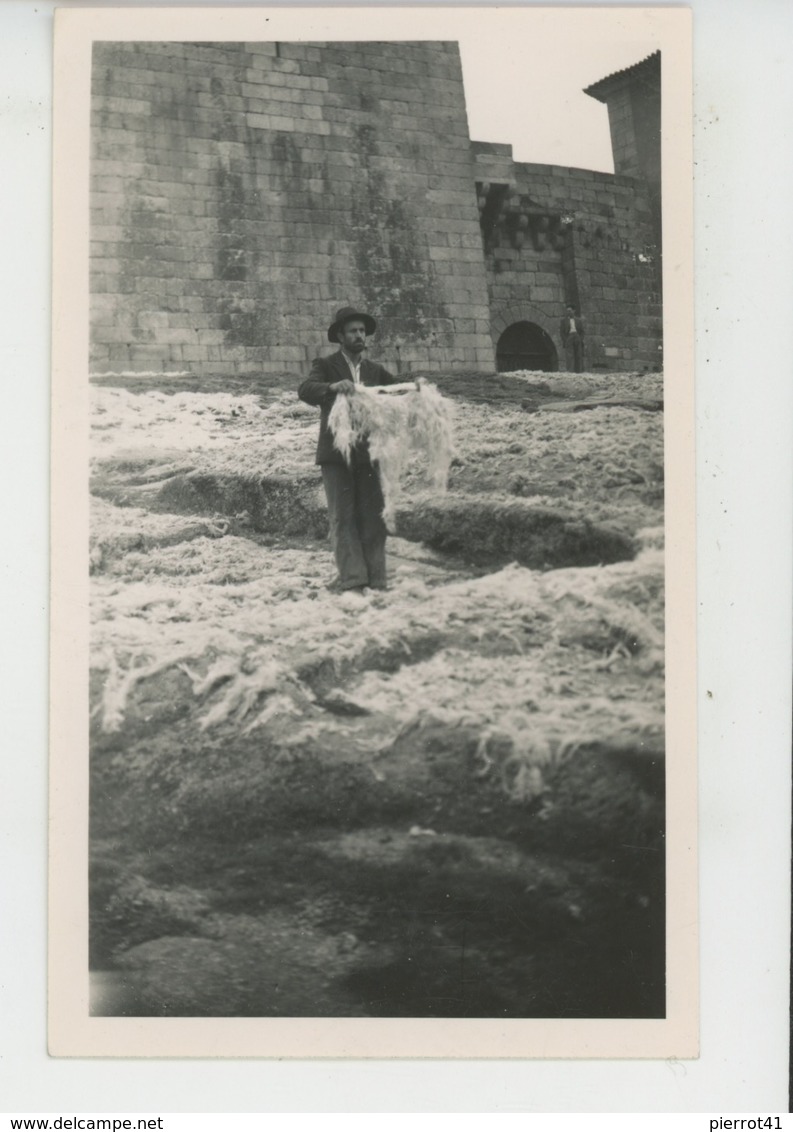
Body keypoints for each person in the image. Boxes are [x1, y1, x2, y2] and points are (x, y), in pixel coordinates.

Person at [298, 305, 401, 594]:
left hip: (368, 453)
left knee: (373, 516)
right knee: (342, 517)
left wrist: (418, 388)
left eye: (362, 331)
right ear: (341, 336)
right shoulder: (326, 365)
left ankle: (376, 579)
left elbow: (397, 391)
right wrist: (332, 387)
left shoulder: (374, 371)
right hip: (335, 453)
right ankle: (353, 579)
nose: (359, 336)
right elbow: (306, 390)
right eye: (353, 331)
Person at [560, 304, 585, 373]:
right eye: (567, 311)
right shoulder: (563, 321)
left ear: (574, 311)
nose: (568, 312)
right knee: (569, 355)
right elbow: (562, 332)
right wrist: (565, 340)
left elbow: (582, 331)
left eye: (570, 311)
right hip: (569, 336)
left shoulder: (578, 320)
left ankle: (579, 371)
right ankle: (570, 371)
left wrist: (580, 339)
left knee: (578, 354)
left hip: (577, 336)